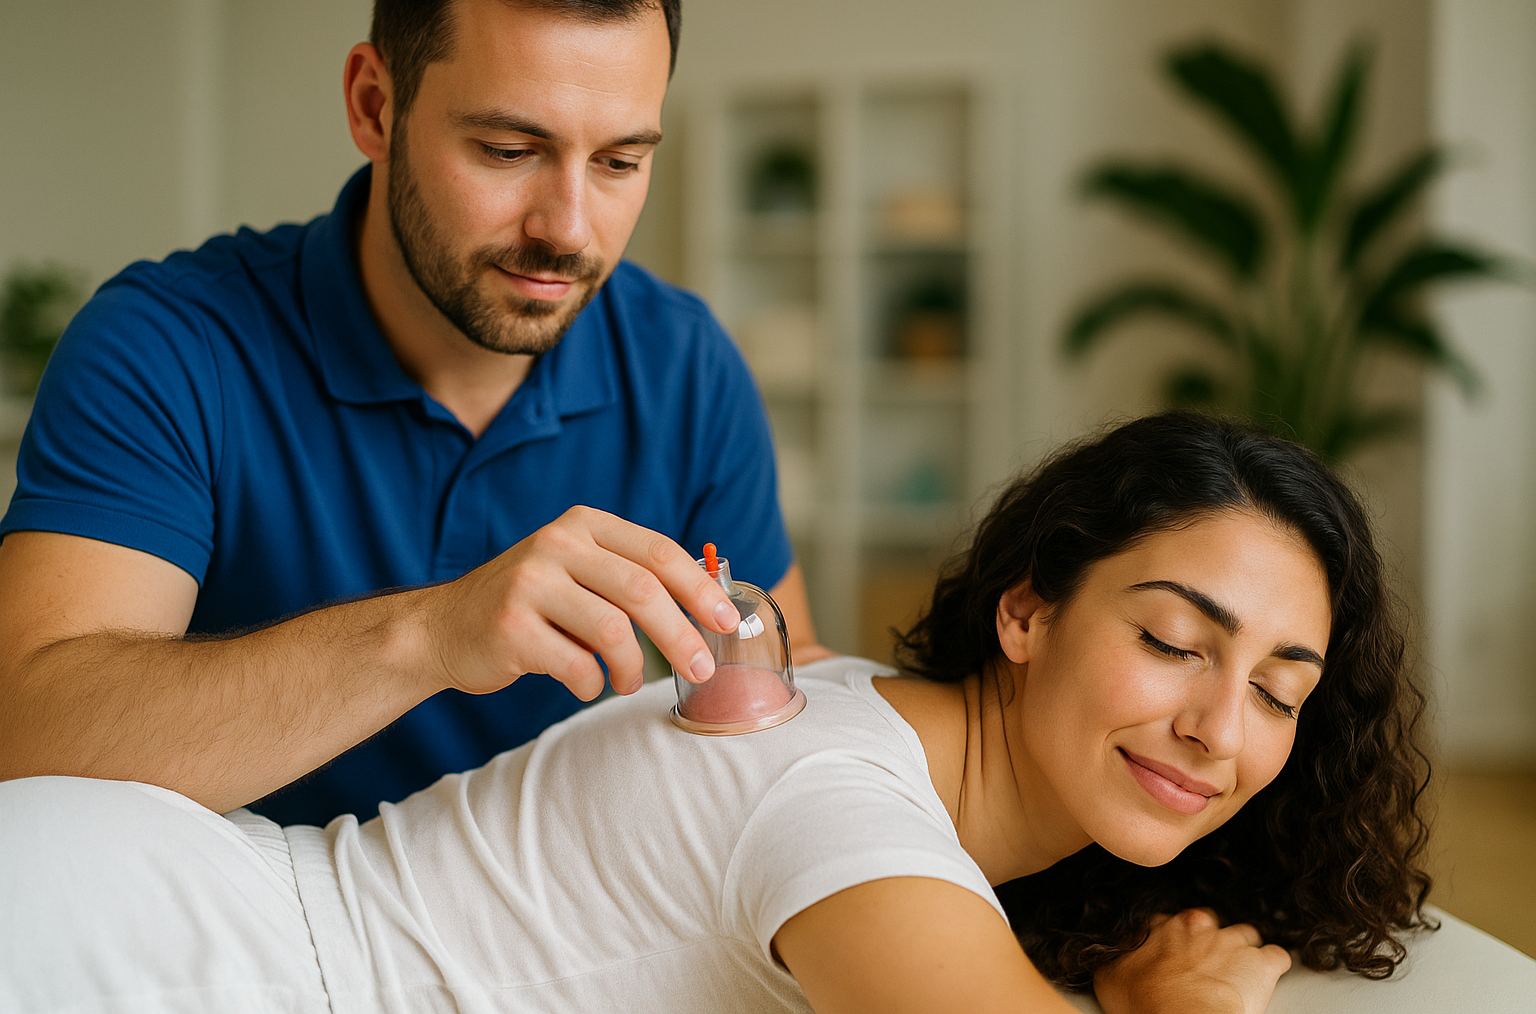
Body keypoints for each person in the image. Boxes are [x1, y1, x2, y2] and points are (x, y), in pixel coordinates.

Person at [0, 413, 1434, 1014]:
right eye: (1176, 642)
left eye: (1277, 692)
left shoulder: (861, 708)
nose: (1217, 727)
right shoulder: (848, 810)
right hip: (155, 963)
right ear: (1028, 611)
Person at [0, 0, 826, 827]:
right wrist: (431, 637)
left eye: (619, 161)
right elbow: (29, 730)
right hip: (231, 929)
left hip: (553, 924)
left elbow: (777, 679)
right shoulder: (167, 344)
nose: (569, 229)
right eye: (508, 150)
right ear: (375, 106)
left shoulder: (683, 362)